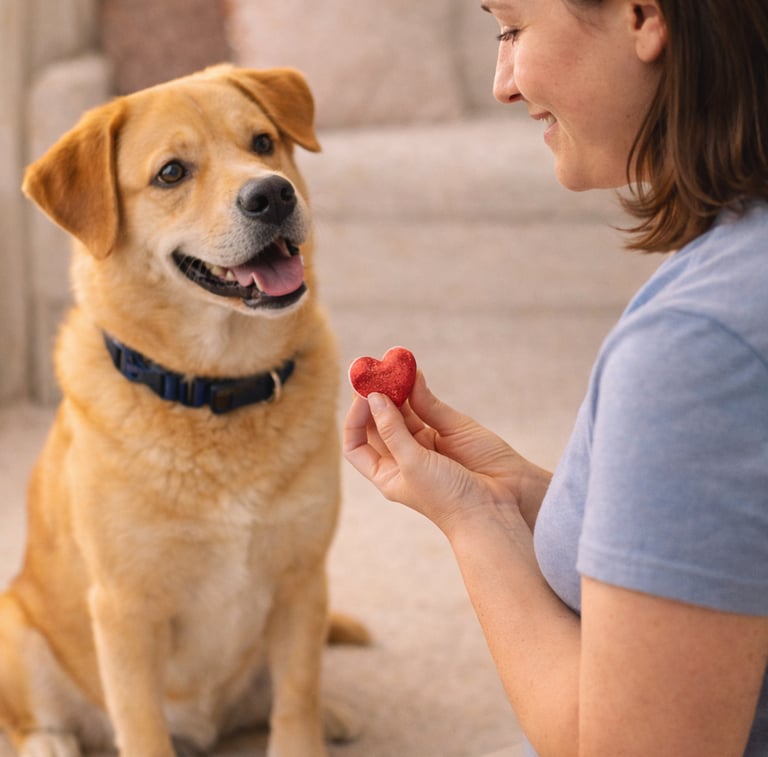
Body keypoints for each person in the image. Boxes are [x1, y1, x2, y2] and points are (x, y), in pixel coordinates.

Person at [343, 0, 768, 754]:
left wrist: (473, 525)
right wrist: (503, 493)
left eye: (510, 27)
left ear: (644, 14)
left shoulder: (699, 345)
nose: (503, 82)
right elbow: (722, 540)